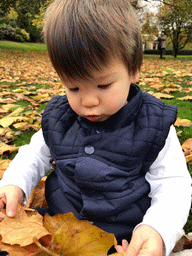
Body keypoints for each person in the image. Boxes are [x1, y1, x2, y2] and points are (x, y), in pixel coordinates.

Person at [0, 0, 191, 255]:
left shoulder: (153, 124)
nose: (88, 101)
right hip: (59, 229)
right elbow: (34, 155)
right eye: (73, 88)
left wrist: (157, 230)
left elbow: (172, 185)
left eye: (103, 86)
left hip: (125, 239)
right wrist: (15, 184)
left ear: (133, 70)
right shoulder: (60, 118)